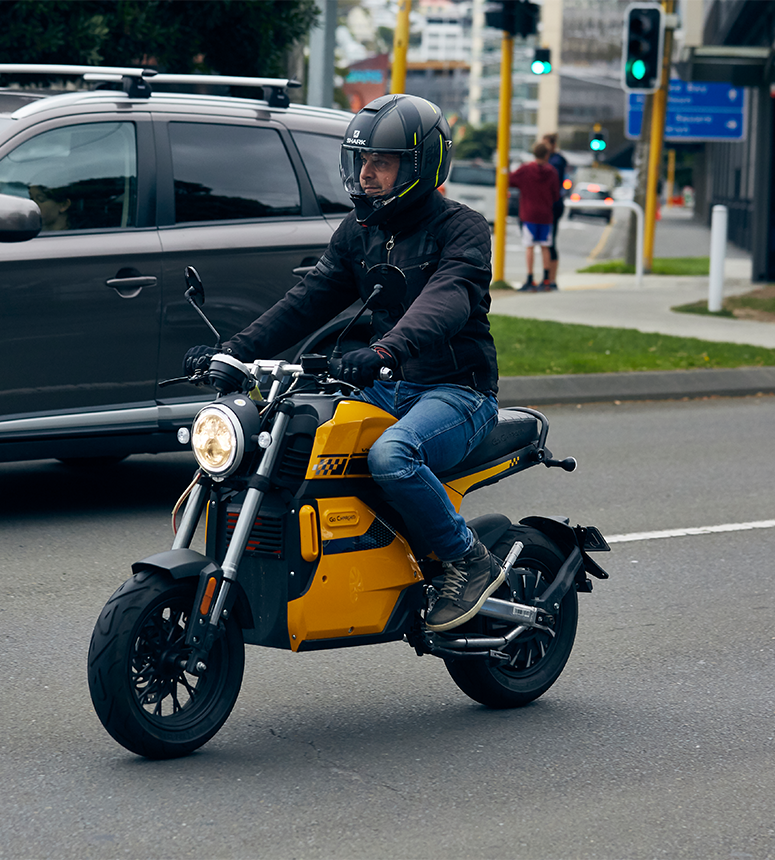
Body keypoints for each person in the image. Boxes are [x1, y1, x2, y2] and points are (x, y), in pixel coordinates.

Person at [183, 94, 503, 633]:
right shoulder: (360, 232)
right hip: (386, 386)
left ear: (420, 164)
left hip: (455, 391)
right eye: (360, 161)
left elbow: (446, 299)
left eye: (381, 162)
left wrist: (385, 350)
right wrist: (233, 351)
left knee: (392, 456)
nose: (366, 174)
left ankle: (468, 559)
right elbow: (308, 299)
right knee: (289, 438)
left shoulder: (462, 228)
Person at [508, 141, 561, 291]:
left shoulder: (525, 170)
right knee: (545, 246)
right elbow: (556, 194)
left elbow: (510, 180)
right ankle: (546, 279)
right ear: (547, 155)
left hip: (529, 213)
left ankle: (530, 278)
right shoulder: (552, 172)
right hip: (546, 215)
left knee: (529, 247)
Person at [543, 133, 569, 289]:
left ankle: (552, 279)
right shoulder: (554, 160)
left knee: (550, 241)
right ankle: (549, 278)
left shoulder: (556, 162)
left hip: (553, 205)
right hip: (549, 204)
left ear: (552, 145)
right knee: (547, 242)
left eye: (545, 144)